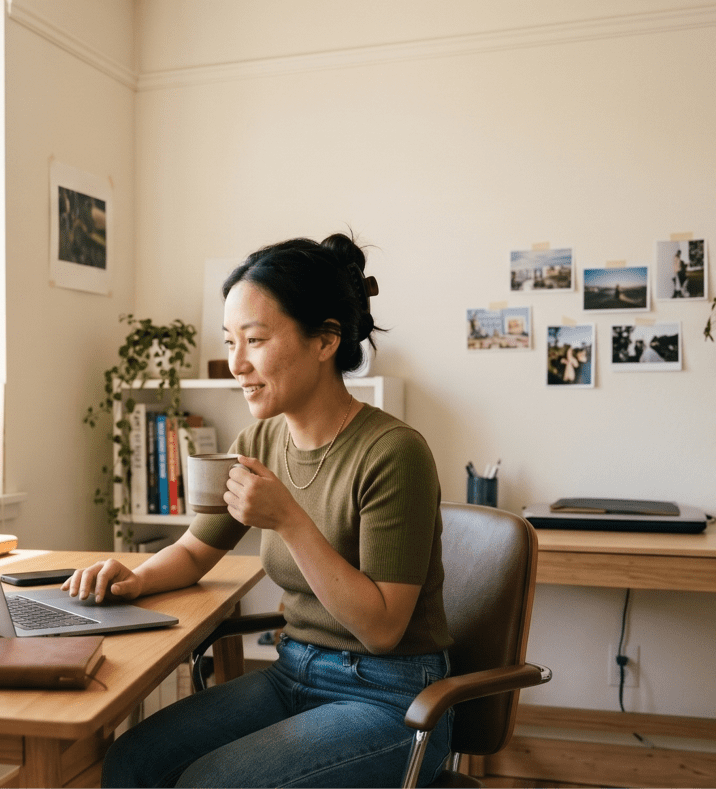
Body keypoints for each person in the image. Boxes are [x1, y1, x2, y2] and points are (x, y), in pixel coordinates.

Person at [66, 233, 453, 788]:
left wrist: (289, 520)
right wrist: (134, 579)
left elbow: (384, 628)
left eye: (255, 339)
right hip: (292, 673)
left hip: (392, 697)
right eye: (230, 342)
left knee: (209, 783)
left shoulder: (394, 452)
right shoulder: (262, 440)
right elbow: (197, 549)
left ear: (325, 340)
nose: (236, 364)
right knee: (131, 763)